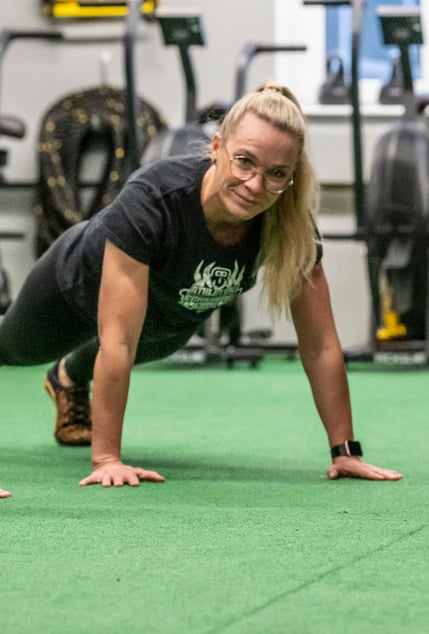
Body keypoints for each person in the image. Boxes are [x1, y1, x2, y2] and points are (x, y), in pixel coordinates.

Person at [0, 82, 401, 499]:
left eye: (276, 174)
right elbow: (117, 340)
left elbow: (319, 344)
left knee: (142, 340)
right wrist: (107, 460)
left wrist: (345, 451)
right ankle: (60, 369)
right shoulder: (155, 197)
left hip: (167, 320)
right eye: (244, 162)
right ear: (216, 147)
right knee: (13, 348)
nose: (254, 185)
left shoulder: (290, 224)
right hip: (73, 288)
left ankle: (67, 377)